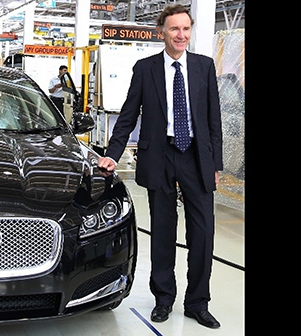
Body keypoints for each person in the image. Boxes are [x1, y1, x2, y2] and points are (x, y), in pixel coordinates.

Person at [96, 4, 223, 329]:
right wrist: (113, 152)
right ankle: (163, 300)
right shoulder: (145, 69)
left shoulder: (204, 67)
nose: (181, 35)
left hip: (196, 158)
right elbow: (127, 116)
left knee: (203, 234)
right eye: (174, 29)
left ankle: (197, 302)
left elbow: (213, 120)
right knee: (163, 233)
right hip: (160, 156)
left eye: (185, 29)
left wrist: (216, 164)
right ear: (161, 32)